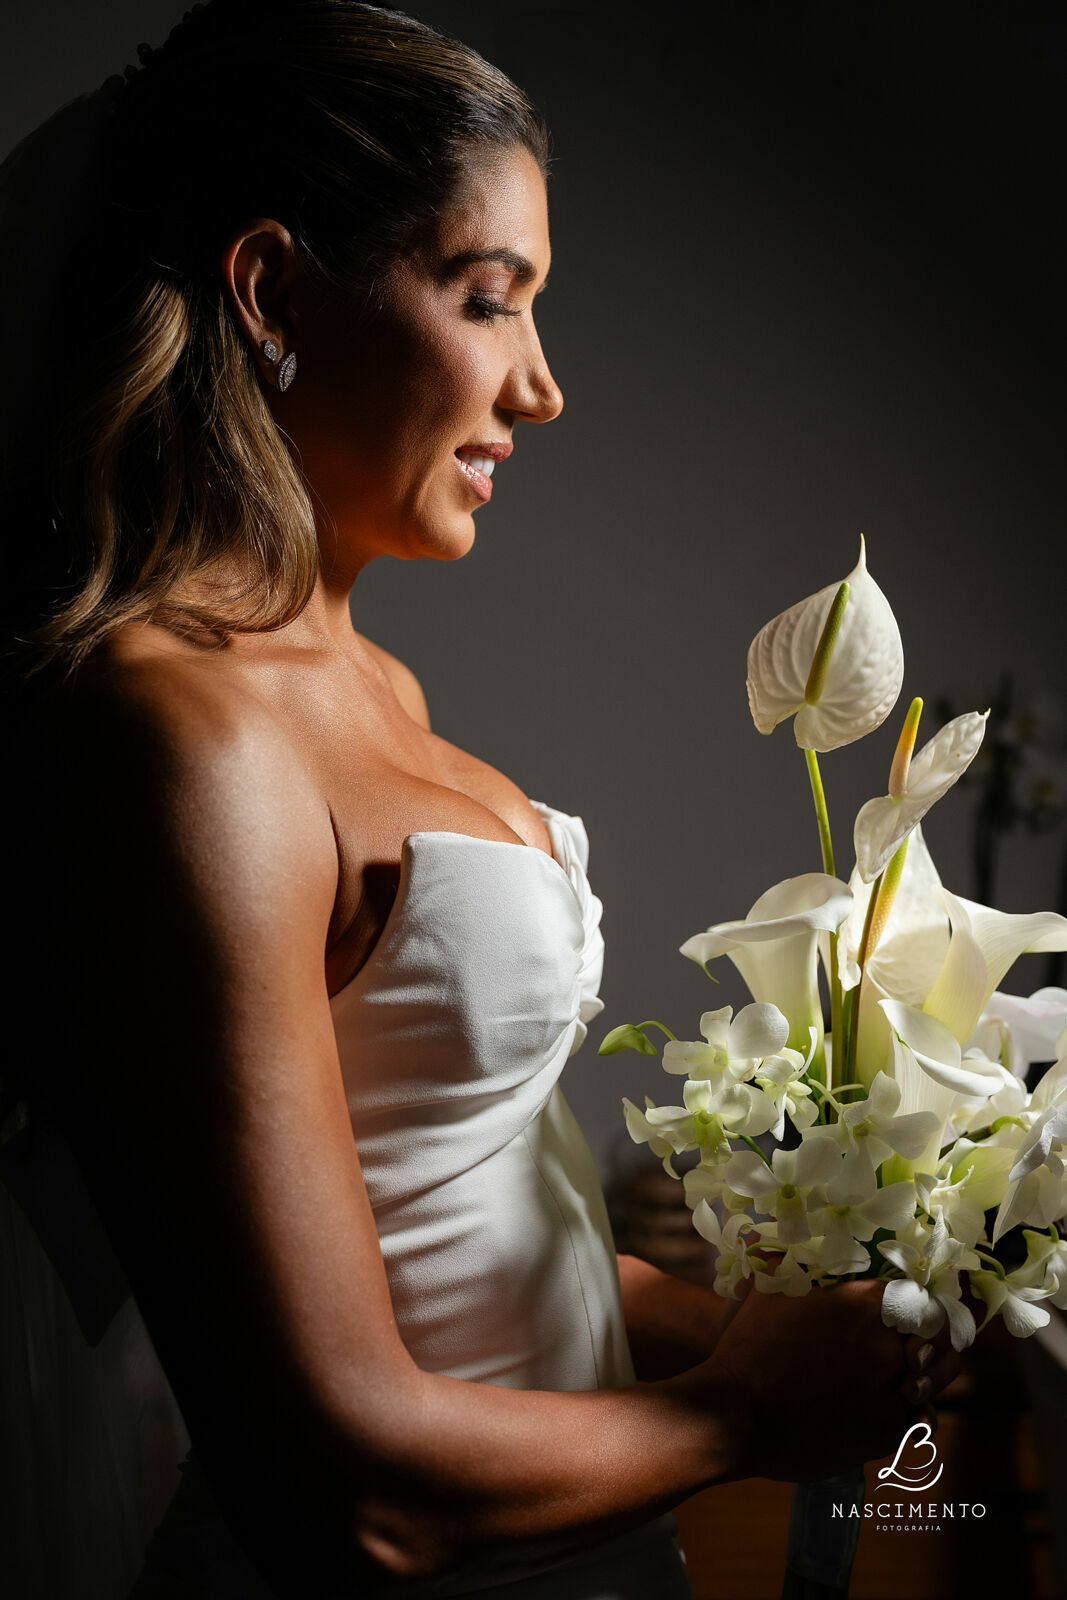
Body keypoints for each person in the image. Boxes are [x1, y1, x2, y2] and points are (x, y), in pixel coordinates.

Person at [0, 3, 958, 1596]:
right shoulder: (177, 733)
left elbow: (433, 1233)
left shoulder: (375, 698)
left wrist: (756, 1322)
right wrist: (739, 1413)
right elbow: (345, 1483)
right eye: (487, 301)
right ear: (273, 291)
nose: (542, 386)